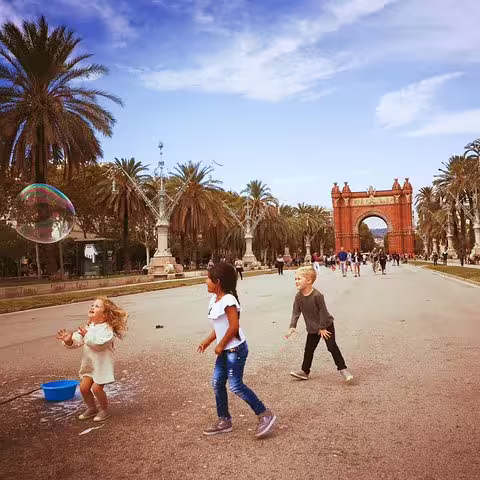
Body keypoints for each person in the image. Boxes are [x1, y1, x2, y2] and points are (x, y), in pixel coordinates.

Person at [197, 262, 276, 438]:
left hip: (235, 350)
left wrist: (220, 345)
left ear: (217, 282)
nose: (205, 281)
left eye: (208, 278)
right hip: (226, 349)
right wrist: (208, 342)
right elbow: (220, 327)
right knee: (217, 383)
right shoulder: (214, 299)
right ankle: (224, 420)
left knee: (236, 386)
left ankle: (265, 414)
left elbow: (233, 327)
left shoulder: (228, 300)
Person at [56, 296, 128, 422]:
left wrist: (86, 335)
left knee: (96, 388)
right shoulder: (89, 326)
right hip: (89, 365)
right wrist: (69, 341)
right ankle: (92, 407)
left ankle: (104, 410)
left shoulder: (107, 330)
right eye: (92, 305)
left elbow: (99, 344)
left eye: (96, 306)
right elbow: (78, 340)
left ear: (105, 315)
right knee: (83, 388)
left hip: (102, 365)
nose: (92, 307)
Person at [286, 266, 353, 382]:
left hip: (326, 326)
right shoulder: (298, 297)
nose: (296, 281)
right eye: (295, 279)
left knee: (332, 347)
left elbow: (323, 312)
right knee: (308, 350)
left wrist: (322, 327)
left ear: (309, 281)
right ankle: (304, 371)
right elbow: (296, 311)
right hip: (313, 328)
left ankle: (343, 369)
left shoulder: (317, 296)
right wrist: (292, 326)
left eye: (299, 279)